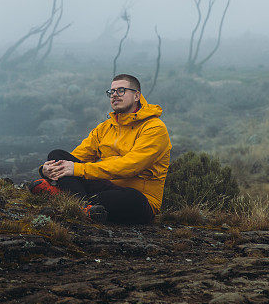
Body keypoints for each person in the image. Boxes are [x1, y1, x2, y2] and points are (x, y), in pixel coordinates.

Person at [29, 74, 171, 224]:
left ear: (136, 96)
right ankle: (84, 207)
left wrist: (77, 170)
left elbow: (130, 166)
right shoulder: (105, 128)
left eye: (121, 90)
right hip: (103, 187)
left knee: (131, 199)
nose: (115, 95)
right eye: (112, 92)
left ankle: (66, 196)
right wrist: (45, 170)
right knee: (56, 155)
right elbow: (78, 156)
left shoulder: (154, 128)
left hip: (138, 199)